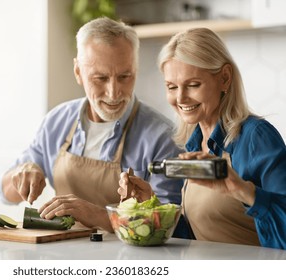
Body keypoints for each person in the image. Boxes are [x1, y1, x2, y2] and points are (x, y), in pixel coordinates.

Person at [0, 17, 183, 232]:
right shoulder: (56, 122)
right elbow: (4, 193)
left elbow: (170, 226)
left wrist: (94, 214)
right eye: (100, 78)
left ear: (136, 69)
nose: (114, 93)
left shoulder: (163, 137)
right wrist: (22, 172)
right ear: (78, 72)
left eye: (124, 76)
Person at [118, 27, 286, 249]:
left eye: (193, 85)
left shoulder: (255, 137)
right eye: (172, 87)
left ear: (225, 78)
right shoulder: (194, 144)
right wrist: (151, 203)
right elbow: (196, 237)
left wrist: (244, 191)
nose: (180, 97)